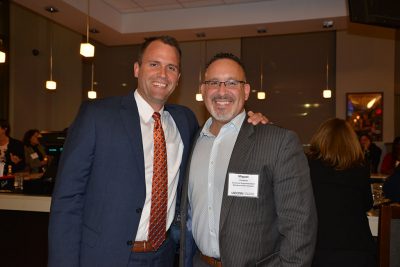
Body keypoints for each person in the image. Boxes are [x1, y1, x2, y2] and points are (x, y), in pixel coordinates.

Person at [48, 36, 266, 267]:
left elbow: (218, 135)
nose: (163, 74)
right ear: (136, 69)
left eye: (171, 67)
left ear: (178, 78)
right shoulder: (97, 116)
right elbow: (67, 200)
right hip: (104, 256)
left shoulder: (184, 121)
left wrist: (250, 121)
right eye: (154, 64)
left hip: (163, 256)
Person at [179, 52, 317, 267]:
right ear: (203, 90)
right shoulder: (193, 139)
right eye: (214, 82)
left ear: (245, 91)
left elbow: (299, 227)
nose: (222, 91)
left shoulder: (277, 142)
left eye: (232, 83)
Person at [307, 118, 377, 267]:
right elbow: (367, 204)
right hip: (358, 249)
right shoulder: (360, 168)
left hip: (319, 248)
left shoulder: (308, 165)